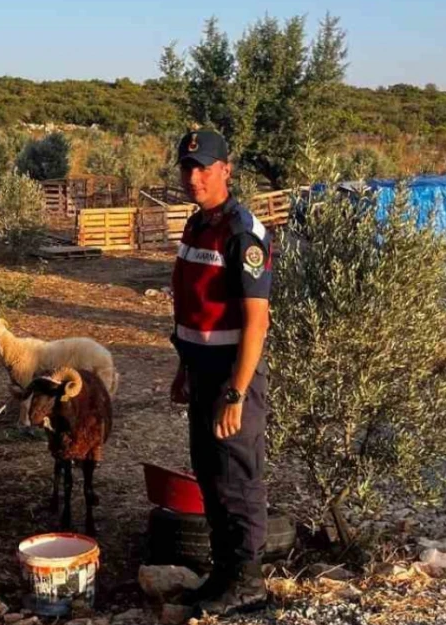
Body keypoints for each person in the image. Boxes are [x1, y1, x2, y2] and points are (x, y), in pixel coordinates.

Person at [168, 129, 273, 615]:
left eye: (204, 168)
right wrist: (183, 369)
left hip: (233, 377)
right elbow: (192, 307)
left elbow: (257, 321)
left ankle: (249, 583)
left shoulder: (241, 232)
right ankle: (223, 574)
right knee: (210, 478)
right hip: (201, 371)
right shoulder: (196, 226)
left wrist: (236, 392)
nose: (194, 177)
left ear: (226, 170)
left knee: (238, 479)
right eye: (188, 168)